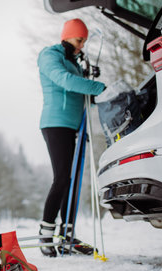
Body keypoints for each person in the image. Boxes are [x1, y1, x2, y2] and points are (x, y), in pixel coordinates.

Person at [37, 19, 106, 257]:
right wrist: (96, 86)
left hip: (74, 126)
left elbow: (82, 91)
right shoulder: (49, 56)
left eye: (84, 42)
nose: (81, 47)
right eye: (79, 41)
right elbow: (64, 80)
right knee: (62, 178)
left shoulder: (74, 62)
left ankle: (67, 236)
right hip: (55, 123)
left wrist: (89, 78)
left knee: (73, 180)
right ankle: (46, 234)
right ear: (67, 37)